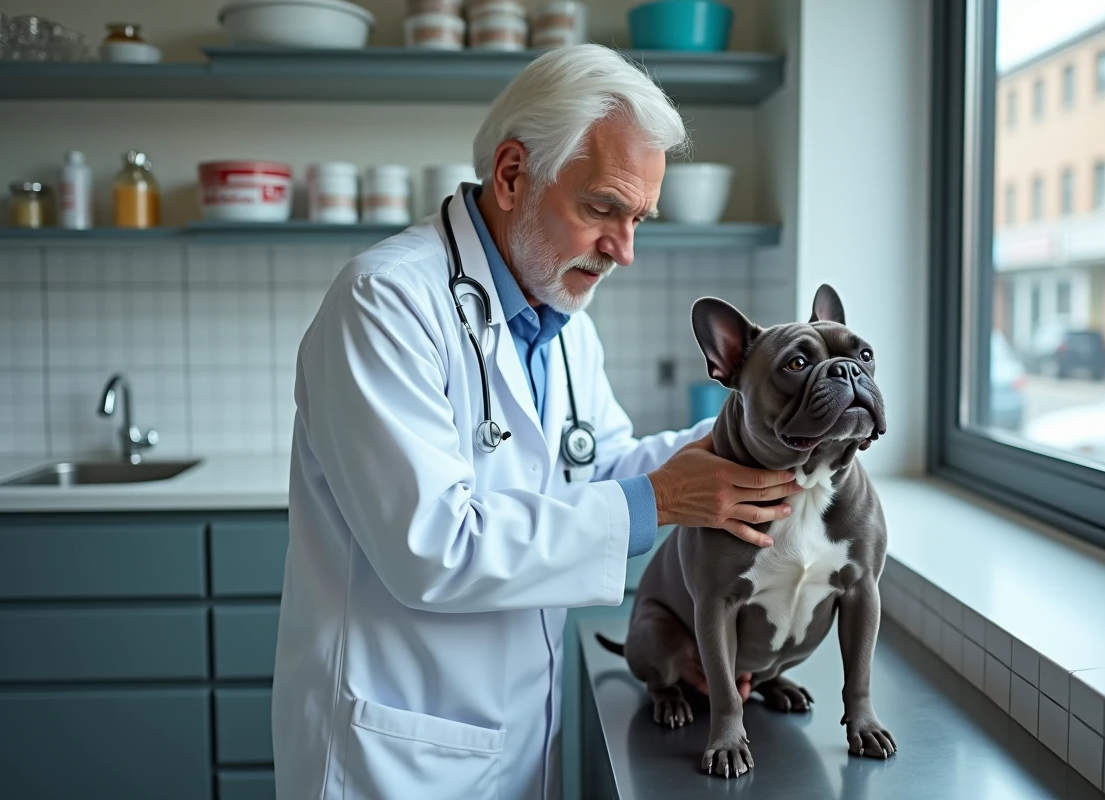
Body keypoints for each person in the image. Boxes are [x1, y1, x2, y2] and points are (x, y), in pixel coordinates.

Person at [271, 43, 799, 800]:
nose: (624, 250)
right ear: (514, 173)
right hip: (396, 751)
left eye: (639, 218)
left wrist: (753, 426)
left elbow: (602, 463)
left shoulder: (560, 312)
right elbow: (435, 546)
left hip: (516, 734)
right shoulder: (385, 302)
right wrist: (662, 501)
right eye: (603, 209)